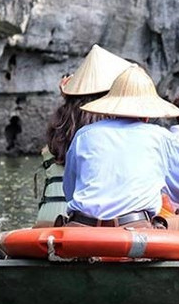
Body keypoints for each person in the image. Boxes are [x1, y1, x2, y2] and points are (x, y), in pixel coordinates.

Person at [62, 66, 179, 230]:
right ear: (148, 113)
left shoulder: (84, 134)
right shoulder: (160, 137)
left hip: (81, 226)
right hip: (133, 227)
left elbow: (70, 190)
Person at [33, 45, 133, 228]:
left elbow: (76, 116)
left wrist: (67, 97)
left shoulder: (57, 133)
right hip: (82, 224)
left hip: (46, 222)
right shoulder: (110, 136)